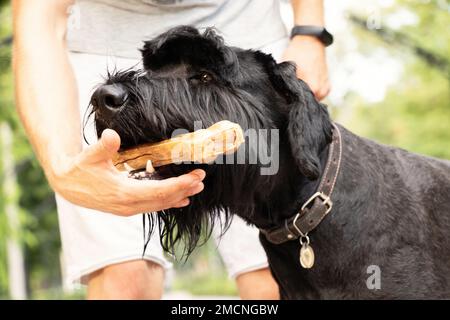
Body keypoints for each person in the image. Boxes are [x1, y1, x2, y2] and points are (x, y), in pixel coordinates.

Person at [13, 0, 330, 299]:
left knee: (270, 282)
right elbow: (37, 20)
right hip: (103, 40)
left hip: (244, 49)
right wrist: (62, 168)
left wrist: (310, 31)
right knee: (124, 281)